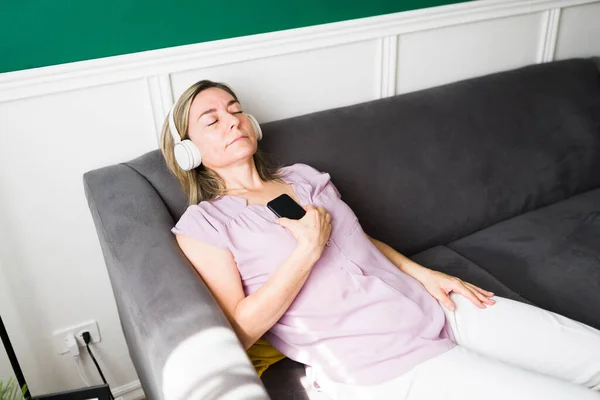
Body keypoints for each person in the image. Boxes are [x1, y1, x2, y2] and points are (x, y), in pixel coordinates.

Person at [159, 80, 600, 400]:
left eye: (235, 110)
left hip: (438, 308)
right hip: (381, 360)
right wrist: (307, 250)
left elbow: (358, 240)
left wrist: (426, 274)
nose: (231, 121)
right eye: (211, 120)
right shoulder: (205, 225)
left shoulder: (303, 177)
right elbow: (238, 330)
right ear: (187, 150)